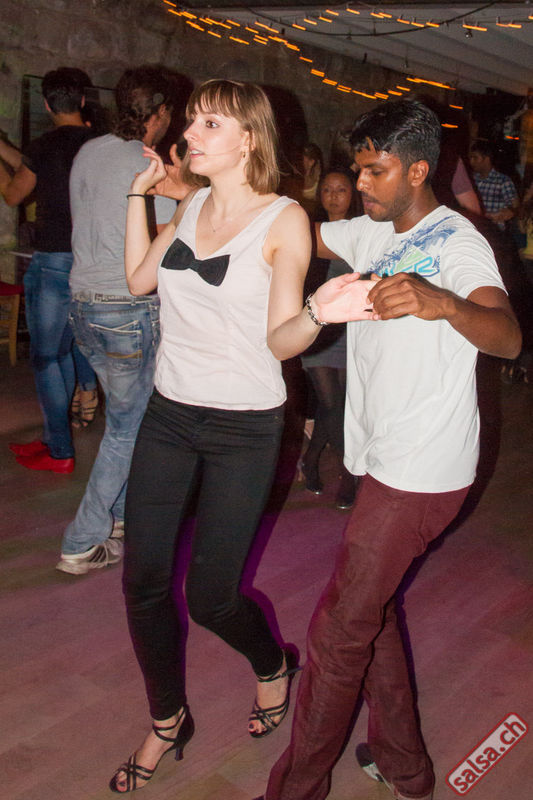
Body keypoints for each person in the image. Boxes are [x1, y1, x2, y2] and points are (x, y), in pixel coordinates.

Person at [108, 78, 375, 795]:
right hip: (170, 414)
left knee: (212, 597)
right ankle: (167, 719)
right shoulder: (191, 204)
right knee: (142, 582)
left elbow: (281, 340)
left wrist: (319, 312)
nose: (189, 135)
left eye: (209, 124)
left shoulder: (285, 219)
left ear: (248, 139)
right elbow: (138, 280)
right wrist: (139, 195)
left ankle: (271, 665)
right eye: (192, 121)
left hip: (243, 426)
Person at [257, 100, 521, 800]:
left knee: (340, 629)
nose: (361, 184)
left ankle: (296, 789)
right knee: (365, 613)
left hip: (422, 470)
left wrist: (446, 304)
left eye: (376, 171)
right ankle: (405, 766)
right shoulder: (372, 231)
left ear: (418, 170)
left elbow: (507, 337)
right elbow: (297, 231)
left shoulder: (457, 242)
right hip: (382, 460)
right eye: (358, 169)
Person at [56, 65, 183, 575]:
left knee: (127, 421)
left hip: (82, 304)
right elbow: (176, 233)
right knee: (128, 428)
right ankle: (82, 540)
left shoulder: (89, 150)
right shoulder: (149, 163)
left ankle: (122, 516)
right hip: (126, 309)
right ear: (160, 112)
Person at [0, 67, 97, 472]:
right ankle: (54, 439)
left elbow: (13, 194)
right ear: (83, 101)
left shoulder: (45, 146)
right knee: (65, 351)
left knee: (46, 359)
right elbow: (33, 163)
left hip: (54, 262)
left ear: (46, 104)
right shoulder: (97, 143)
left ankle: (60, 450)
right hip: (88, 262)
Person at [300, 168, 360, 509]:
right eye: (327, 190)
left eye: (341, 190)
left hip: (352, 330)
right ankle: (349, 472)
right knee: (332, 403)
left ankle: (310, 460)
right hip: (316, 330)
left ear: (353, 194)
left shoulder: (363, 231)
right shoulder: (309, 232)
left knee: (334, 405)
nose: (334, 196)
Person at [469, 139, 519, 227]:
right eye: (471, 158)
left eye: (475, 158)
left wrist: (507, 212)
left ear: (487, 159)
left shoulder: (502, 181)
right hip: (472, 227)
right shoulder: (471, 179)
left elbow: (515, 207)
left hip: (493, 229)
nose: (471, 162)